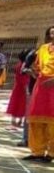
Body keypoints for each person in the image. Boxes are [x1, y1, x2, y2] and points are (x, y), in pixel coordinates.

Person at [25, 26, 54, 163]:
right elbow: (37, 66)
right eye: (52, 32)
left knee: (52, 123)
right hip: (41, 86)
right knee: (36, 121)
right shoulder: (42, 49)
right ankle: (37, 151)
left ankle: (51, 153)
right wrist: (33, 72)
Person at [6, 50, 31, 127]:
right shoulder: (24, 65)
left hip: (18, 86)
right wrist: (26, 87)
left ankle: (14, 120)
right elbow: (23, 77)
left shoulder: (19, 64)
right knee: (22, 103)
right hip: (23, 86)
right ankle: (19, 120)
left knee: (16, 102)